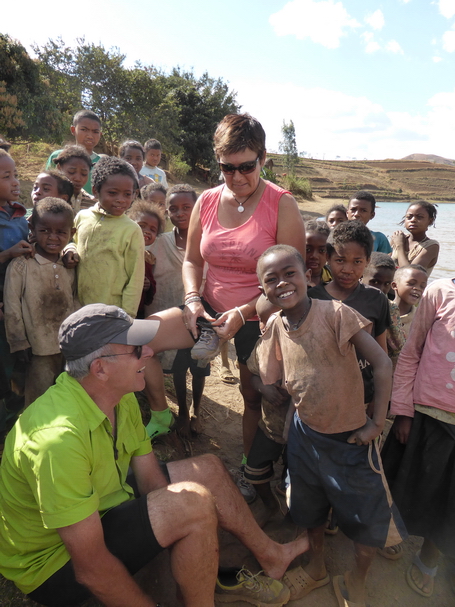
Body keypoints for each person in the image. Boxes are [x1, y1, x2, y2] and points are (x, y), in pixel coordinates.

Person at [0, 303, 308, 607]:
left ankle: (271, 557)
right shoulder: (57, 443)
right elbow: (90, 569)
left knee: (209, 471)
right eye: (136, 349)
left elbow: (151, 482)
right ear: (100, 369)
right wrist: (186, 515)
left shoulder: (118, 396)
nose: (149, 352)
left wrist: (184, 536)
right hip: (52, 565)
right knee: (194, 503)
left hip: (104, 501)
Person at [253, 244, 405, 605]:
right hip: (306, 438)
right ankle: (317, 567)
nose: (282, 284)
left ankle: (357, 580)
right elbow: (271, 374)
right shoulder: (276, 325)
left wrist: (376, 424)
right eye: (271, 280)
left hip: (351, 438)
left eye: (290, 274)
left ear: (307, 276)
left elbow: (382, 365)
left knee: (368, 520)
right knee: (309, 508)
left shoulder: (336, 314)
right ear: (263, 290)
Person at [182, 113, 306, 496]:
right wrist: (190, 299)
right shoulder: (206, 200)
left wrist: (243, 313)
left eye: (246, 167)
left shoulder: (281, 205)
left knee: (254, 395)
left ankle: (252, 472)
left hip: (262, 314)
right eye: (226, 168)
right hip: (209, 307)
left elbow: (291, 284)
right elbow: (192, 260)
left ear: (263, 158)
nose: (236, 178)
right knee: (147, 341)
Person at [381, 277, 455, 598]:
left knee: (449, 500)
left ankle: (430, 558)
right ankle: (394, 532)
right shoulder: (440, 292)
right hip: (424, 413)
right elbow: (411, 352)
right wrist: (403, 410)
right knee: (403, 480)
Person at [308, 221, 391, 411]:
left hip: (361, 395)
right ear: (328, 258)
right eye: (340, 260)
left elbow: (381, 351)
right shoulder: (312, 298)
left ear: (368, 261)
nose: (347, 269)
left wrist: (378, 399)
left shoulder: (376, 299)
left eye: (357, 261)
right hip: (319, 393)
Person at [148, 184, 209, 440]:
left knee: (199, 367)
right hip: (173, 316)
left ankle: (197, 409)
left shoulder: (208, 240)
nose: (180, 213)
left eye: (187, 207)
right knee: (178, 367)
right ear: (167, 211)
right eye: (173, 208)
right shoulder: (160, 242)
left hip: (201, 315)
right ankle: (182, 411)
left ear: (197, 209)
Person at [4, 198, 78, 406]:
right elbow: (12, 307)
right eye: (45, 230)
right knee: (37, 400)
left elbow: (74, 301)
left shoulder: (69, 265)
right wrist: (18, 343)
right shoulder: (22, 265)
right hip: (36, 350)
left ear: (71, 234)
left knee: (62, 397)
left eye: (61, 232)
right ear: (32, 228)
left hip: (66, 348)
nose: (53, 237)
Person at [67, 156, 145, 318]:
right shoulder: (82, 217)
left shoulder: (131, 230)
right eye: (112, 193)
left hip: (111, 312)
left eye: (127, 194)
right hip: (77, 306)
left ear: (134, 194)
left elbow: (135, 278)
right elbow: (71, 241)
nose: (120, 200)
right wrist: (70, 250)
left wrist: (128, 314)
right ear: (95, 191)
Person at [0, 150, 33, 440]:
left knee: (18, 366)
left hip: (19, 307)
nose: (15, 181)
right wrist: (7, 254)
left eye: (15, 174)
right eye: (6, 176)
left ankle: (14, 426)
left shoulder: (19, 213)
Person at [362, 253, 406, 374]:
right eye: (375, 282)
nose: (380, 289)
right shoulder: (346, 302)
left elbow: (397, 345)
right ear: (362, 275)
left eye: (387, 284)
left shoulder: (390, 307)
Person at [46, 109, 103, 196]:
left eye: (95, 132)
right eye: (84, 129)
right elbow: (46, 185)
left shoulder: (102, 164)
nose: (90, 136)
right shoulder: (58, 157)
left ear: (100, 134)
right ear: (73, 130)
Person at [127, 199, 164, 319]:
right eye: (141, 226)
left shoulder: (148, 258)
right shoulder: (122, 250)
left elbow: (151, 286)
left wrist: (148, 286)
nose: (147, 231)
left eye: (153, 230)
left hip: (137, 310)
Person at [390, 200, 439, 275]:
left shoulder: (431, 246)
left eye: (420, 217)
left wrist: (400, 245)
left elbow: (408, 274)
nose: (413, 220)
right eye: (409, 217)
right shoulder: (399, 237)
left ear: (430, 221)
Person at [54, 145, 95, 213]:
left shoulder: (92, 202)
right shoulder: (52, 197)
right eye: (71, 172)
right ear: (59, 168)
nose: (78, 178)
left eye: (84, 174)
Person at [391, 264, 428, 337]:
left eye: (422, 286)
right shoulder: (383, 311)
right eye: (411, 284)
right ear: (395, 285)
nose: (418, 288)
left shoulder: (421, 320)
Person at [305, 219, 331, 287]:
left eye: (322, 251)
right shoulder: (292, 278)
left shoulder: (334, 277)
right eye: (307, 249)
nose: (314, 256)